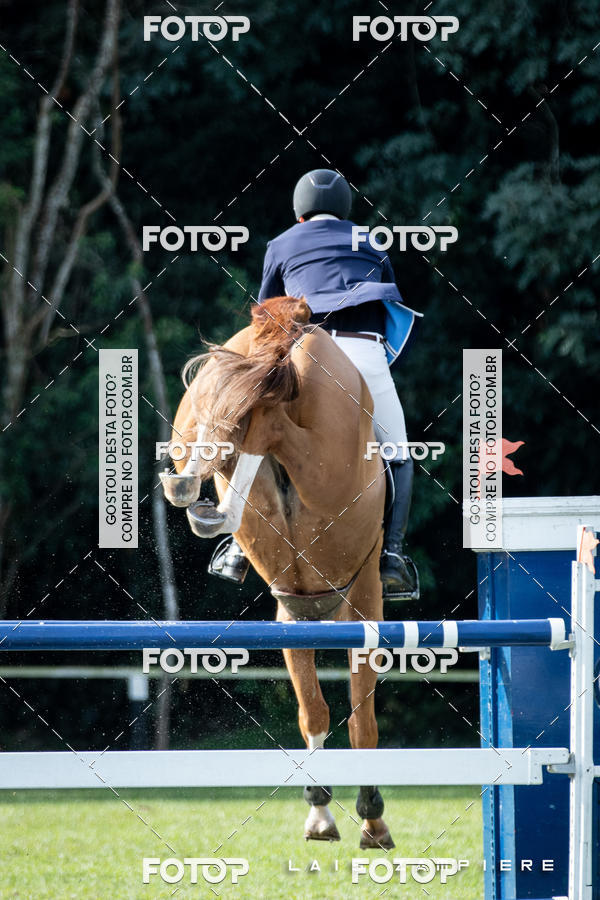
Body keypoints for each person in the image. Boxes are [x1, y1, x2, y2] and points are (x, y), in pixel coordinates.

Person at [209, 168, 421, 599]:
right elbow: (388, 308)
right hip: (362, 352)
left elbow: (266, 314)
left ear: (299, 214)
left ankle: (235, 543)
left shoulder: (281, 243)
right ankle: (394, 556)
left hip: (300, 350)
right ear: (345, 208)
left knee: (258, 432)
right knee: (399, 452)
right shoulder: (371, 240)